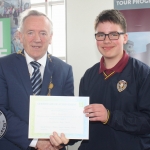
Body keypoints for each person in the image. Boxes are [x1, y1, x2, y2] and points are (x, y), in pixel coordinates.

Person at [49, 9, 150, 150]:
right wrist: (65, 138)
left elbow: (147, 121)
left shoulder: (143, 74)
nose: (106, 40)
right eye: (101, 35)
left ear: (125, 38)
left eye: (114, 34)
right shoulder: (88, 76)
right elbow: (82, 123)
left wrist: (109, 116)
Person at [0, 10, 74, 150]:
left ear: (51, 37)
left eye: (43, 33)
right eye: (30, 32)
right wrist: (35, 141)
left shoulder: (65, 70)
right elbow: (1, 112)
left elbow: (67, 115)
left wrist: (63, 139)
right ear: (20, 36)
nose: (37, 39)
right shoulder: (3, 66)